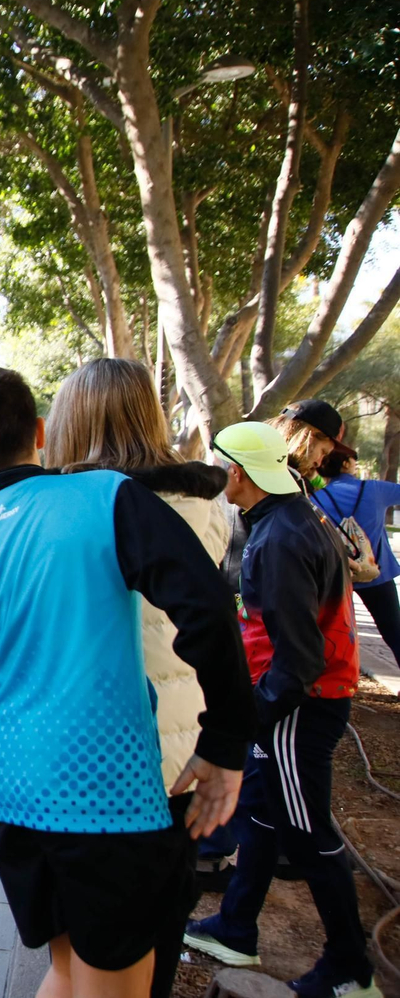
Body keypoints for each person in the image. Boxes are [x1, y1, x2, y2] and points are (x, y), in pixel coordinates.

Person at [0, 365, 252, 998]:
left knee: (69, 968)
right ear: (41, 432)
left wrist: (34, 746)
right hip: (115, 802)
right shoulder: (105, 497)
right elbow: (207, 607)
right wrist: (225, 741)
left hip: (19, 798)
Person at [43, 358, 232, 998]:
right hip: (183, 752)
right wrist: (226, 747)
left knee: (78, 957)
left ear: (70, 424)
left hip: (93, 758)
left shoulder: (79, 511)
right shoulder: (209, 507)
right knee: (151, 941)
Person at [185, 423, 379, 998]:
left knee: (308, 834)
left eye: (222, 467)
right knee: (265, 815)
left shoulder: (281, 540)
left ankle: (350, 967)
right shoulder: (285, 519)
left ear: (239, 473)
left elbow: (300, 658)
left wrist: (253, 718)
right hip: (291, 700)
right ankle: (236, 927)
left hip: (302, 707)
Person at [315, 452, 400, 667]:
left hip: (337, 577)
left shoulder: (314, 499)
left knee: (330, 631)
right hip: (376, 574)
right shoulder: (374, 489)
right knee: (394, 630)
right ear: (346, 463)